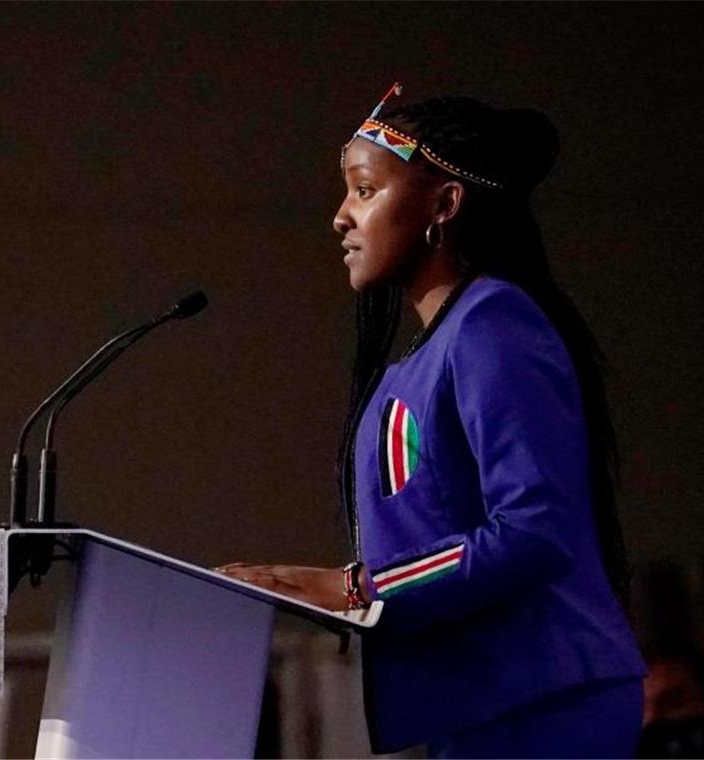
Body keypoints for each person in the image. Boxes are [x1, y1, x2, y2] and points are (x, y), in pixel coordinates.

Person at [218, 84, 647, 758]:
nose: (339, 217)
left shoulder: (493, 325)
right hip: (484, 701)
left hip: (540, 698)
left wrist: (355, 586)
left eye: (364, 189)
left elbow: (533, 530)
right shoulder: (442, 348)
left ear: (444, 205)